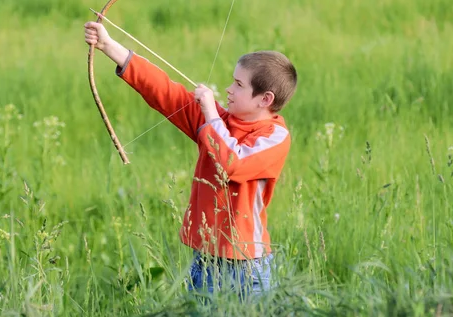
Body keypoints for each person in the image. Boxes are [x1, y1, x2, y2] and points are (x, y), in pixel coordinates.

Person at [84, 21, 297, 298]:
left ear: (265, 99)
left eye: (239, 84)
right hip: (206, 262)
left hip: (247, 269)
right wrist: (108, 45)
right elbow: (165, 91)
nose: (229, 89)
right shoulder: (219, 122)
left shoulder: (274, 136)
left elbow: (233, 162)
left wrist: (210, 112)